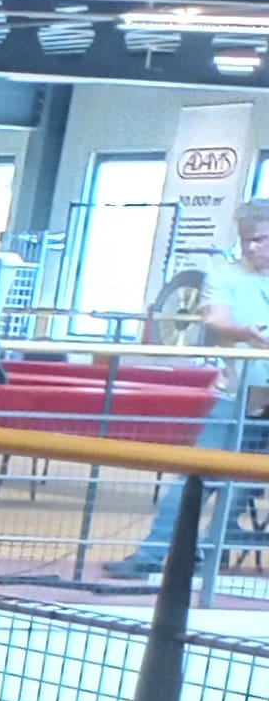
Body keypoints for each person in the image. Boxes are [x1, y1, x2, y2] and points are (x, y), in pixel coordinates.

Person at [105, 198, 269, 580]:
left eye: (260, 239)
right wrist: (244, 333)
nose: (251, 248)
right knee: (196, 475)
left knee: (248, 480)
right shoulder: (224, 275)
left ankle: (212, 549)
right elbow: (215, 320)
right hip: (239, 395)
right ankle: (150, 555)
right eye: (246, 240)